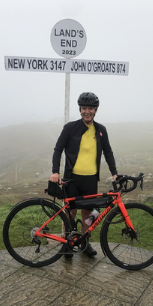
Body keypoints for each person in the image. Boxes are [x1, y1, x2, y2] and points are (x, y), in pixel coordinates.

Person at [50, 92, 118, 257]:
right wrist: (55, 171)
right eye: (84, 108)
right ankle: (67, 245)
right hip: (71, 179)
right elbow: (58, 149)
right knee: (69, 214)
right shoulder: (70, 128)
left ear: (95, 110)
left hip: (90, 179)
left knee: (88, 214)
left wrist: (114, 173)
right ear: (80, 110)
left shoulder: (101, 130)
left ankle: (84, 242)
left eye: (90, 108)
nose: (87, 112)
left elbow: (108, 153)